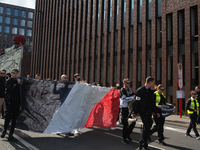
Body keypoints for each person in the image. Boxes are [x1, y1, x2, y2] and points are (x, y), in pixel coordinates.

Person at [131, 77, 159, 150]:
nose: (153, 84)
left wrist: (155, 112)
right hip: (143, 111)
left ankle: (144, 144)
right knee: (146, 126)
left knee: (148, 126)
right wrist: (134, 112)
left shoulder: (150, 91)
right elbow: (136, 102)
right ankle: (142, 144)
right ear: (150, 82)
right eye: (153, 82)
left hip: (149, 111)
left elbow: (152, 103)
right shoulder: (140, 90)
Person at [1, 69, 21, 142]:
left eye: (17, 73)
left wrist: (21, 104)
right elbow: (10, 90)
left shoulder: (19, 81)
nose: (15, 74)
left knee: (14, 120)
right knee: (8, 118)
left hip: (16, 103)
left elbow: (21, 94)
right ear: (11, 74)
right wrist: (17, 84)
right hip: (9, 103)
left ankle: (10, 135)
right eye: (14, 73)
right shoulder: (8, 81)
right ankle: (4, 131)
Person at [120, 78, 136, 144]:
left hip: (130, 108)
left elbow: (134, 94)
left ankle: (128, 134)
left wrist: (133, 97)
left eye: (129, 83)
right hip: (124, 108)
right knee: (125, 124)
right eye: (127, 83)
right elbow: (125, 99)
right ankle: (124, 138)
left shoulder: (129, 90)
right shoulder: (122, 90)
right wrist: (132, 98)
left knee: (132, 122)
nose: (129, 84)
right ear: (124, 83)